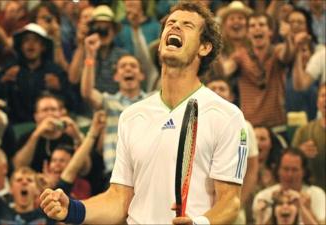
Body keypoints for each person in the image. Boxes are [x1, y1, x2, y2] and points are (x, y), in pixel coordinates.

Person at [40, 2, 248, 224]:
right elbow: (119, 200)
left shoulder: (226, 116)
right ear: (160, 45)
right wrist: (73, 209)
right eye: (171, 23)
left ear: (204, 47)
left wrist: (199, 223)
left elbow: (230, 203)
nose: (175, 27)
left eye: (186, 25)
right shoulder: (131, 116)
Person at [81, 53, 146, 180]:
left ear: (142, 75)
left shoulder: (152, 101)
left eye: (133, 66)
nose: (128, 69)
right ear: (116, 77)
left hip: (146, 171)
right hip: (115, 173)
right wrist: (89, 56)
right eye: (123, 66)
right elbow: (87, 93)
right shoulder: (108, 101)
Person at [206, 77, 259, 224]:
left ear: (231, 95)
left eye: (222, 88)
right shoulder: (195, 123)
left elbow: (252, 169)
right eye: (212, 88)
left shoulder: (245, 126)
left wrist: (236, 204)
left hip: (231, 208)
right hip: (200, 207)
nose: (217, 91)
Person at [13, 94, 84, 172]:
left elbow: (85, 169)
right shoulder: (27, 137)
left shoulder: (70, 136)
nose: (50, 114)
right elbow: (18, 166)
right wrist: (37, 134)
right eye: (45, 110)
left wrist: (77, 136)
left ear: (60, 114)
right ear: (36, 116)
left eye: (53, 109)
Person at [252, 149, 325, 224]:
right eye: (285, 169)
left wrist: (306, 209)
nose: (289, 175)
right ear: (278, 170)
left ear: (304, 172)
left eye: (295, 170)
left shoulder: (316, 194)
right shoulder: (263, 197)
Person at [292, 83, 326, 190]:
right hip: (311, 192)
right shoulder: (304, 131)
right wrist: (300, 153)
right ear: (317, 102)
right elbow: (289, 161)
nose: (325, 99)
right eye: (323, 95)